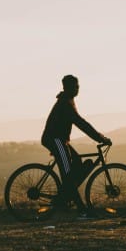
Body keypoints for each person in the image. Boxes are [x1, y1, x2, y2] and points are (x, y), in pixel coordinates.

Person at [41, 74, 111, 214]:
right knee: (68, 175)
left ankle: (66, 195)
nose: (78, 88)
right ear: (68, 88)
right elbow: (81, 123)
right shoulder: (65, 104)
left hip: (60, 141)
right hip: (55, 140)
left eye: (78, 86)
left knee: (77, 162)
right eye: (75, 86)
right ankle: (79, 207)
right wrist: (100, 138)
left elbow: (80, 122)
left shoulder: (68, 100)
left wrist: (99, 137)